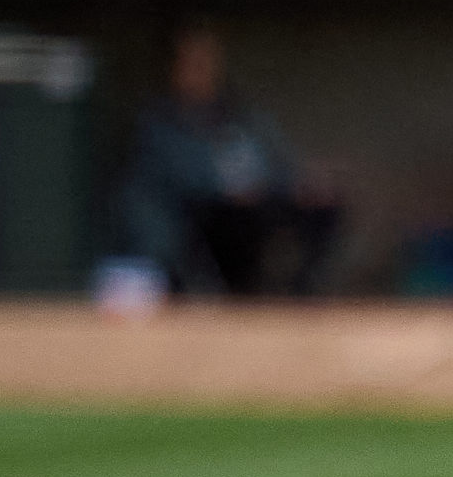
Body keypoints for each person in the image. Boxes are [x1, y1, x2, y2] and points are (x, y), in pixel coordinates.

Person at [112, 24, 344, 299]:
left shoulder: (240, 114)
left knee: (321, 209)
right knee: (232, 223)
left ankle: (299, 300)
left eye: (207, 61)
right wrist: (225, 188)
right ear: (173, 67)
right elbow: (175, 181)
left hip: (258, 206)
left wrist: (300, 183)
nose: (202, 71)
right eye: (192, 62)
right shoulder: (159, 123)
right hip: (201, 218)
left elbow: (279, 163)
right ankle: (225, 298)